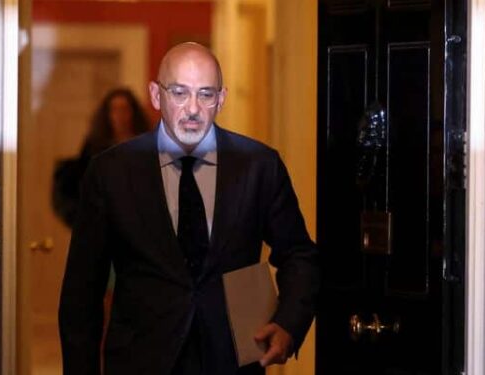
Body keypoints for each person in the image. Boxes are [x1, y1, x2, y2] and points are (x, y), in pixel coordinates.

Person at [58, 42, 319, 375]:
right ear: (156, 95)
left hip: (233, 360)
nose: (193, 109)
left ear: (221, 99)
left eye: (205, 94)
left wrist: (288, 324)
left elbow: (299, 255)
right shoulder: (110, 171)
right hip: (140, 360)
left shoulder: (259, 165)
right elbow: (81, 292)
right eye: (179, 93)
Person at [52, 88, 150, 227]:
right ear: (108, 114)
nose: (120, 115)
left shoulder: (147, 146)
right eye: (114, 110)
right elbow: (83, 183)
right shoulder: (95, 147)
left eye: (124, 109)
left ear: (133, 113)